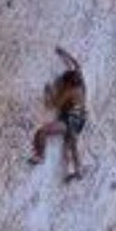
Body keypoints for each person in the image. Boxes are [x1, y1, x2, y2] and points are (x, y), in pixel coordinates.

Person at [29, 45, 87, 181]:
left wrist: (49, 91)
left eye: (63, 83)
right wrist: (64, 53)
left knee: (43, 131)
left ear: (68, 84)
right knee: (72, 145)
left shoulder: (69, 92)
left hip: (70, 120)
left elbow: (54, 105)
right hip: (81, 118)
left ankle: (41, 155)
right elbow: (77, 65)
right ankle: (77, 171)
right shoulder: (82, 85)